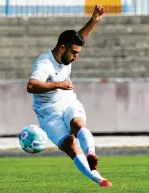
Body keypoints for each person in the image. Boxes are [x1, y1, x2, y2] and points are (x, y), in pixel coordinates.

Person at [27, 5, 112, 188]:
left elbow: (79, 39)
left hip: (67, 103)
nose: (76, 57)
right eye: (73, 53)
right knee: (71, 145)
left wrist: (94, 20)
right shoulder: (44, 63)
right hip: (48, 114)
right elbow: (31, 85)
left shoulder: (68, 52)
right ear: (62, 48)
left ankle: (91, 154)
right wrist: (58, 84)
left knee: (77, 124)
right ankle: (100, 179)